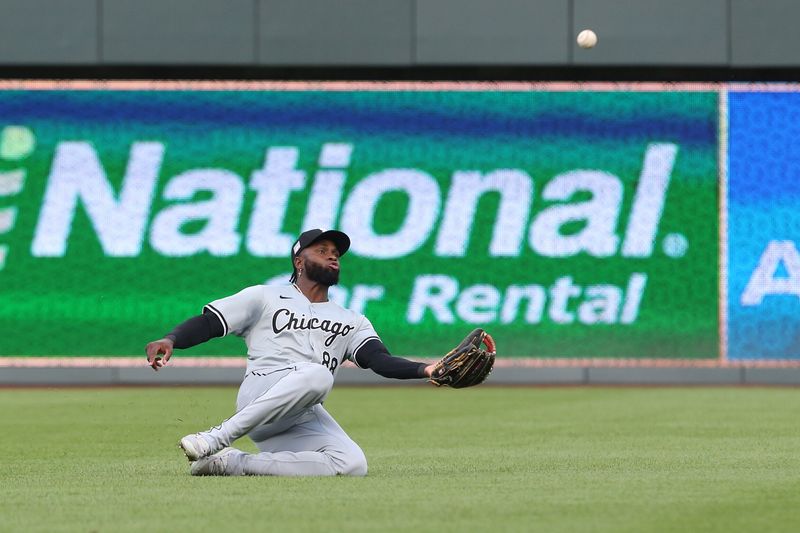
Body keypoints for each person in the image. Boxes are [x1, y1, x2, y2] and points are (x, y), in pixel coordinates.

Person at [145, 228, 434, 477]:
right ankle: (214, 438)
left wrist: (426, 370)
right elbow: (210, 322)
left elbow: (379, 360)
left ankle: (230, 463)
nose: (333, 256)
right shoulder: (264, 296)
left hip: (301, 411)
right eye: (322, 250)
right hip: (261, 391)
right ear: (299, 261)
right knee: (318, 374)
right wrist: (172, 339)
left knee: (351, 464)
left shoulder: (352, 320)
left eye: (335, 252)